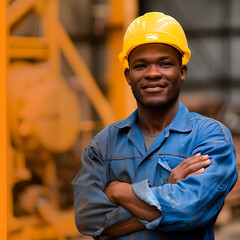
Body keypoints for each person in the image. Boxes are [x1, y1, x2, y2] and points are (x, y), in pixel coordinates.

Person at [72, 12, 238, 240]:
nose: (152, 73)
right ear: (128, 75)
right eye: (141, 66)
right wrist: (167, 194)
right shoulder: (103, 145)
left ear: (182, 72)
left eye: (165, 63)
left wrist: (119, 192)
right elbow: (87, 218)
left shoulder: (210, 138)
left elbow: (188, 210)